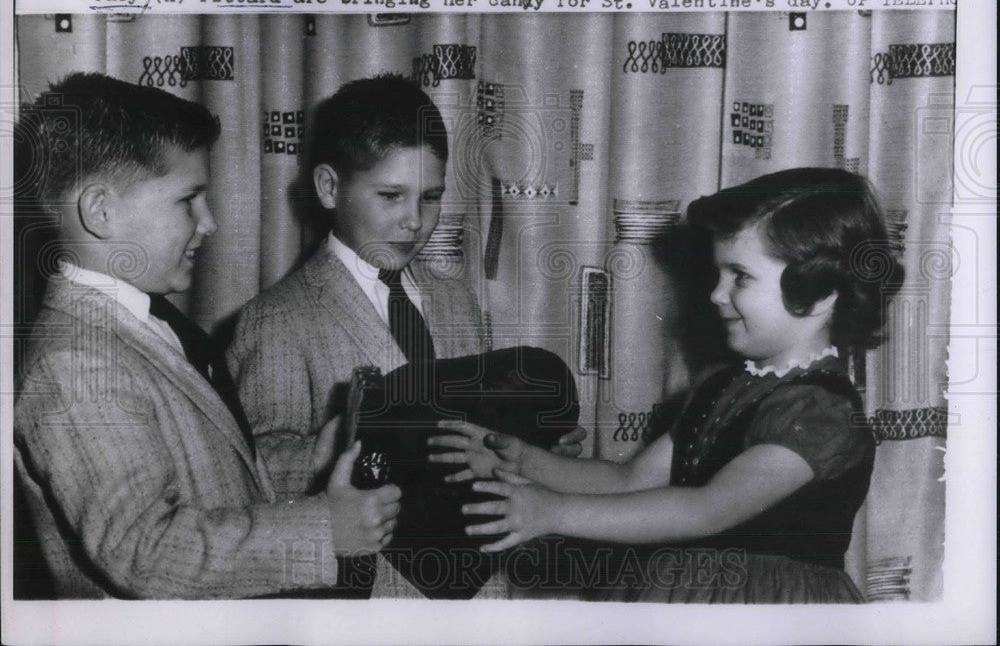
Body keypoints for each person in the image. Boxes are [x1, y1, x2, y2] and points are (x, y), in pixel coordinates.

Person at [431, 167, 902, 603]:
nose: (717, 294)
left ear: (819, 294)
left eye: (740, 276)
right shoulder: (721, 384)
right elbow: (629, 480)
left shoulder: (820, 412)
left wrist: (552, 512)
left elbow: (707, 510)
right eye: (719, 274)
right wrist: (522, 459)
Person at [12, 73, 400, 599]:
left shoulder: (144, 323)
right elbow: (145, 552)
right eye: (188, 199)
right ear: (100, 211)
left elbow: (211, 476)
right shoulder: (75, 363)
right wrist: (324, 530)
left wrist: (314, 459)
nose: (210, 222)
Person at [227, 73, 584, 597]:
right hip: (373, 595)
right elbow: (256, 473)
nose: (415, 221)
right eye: (391, 196)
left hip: (479, 585)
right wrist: (341, 448)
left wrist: (533, 450)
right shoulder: (277, 318)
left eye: (431, 197)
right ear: (329, 188)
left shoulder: (455, 296)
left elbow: (473, 423)